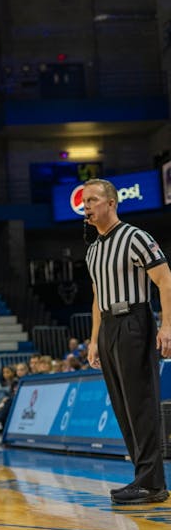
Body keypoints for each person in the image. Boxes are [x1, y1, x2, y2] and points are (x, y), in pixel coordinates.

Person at [82, 178, 171, 505]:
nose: (87, 207)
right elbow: (96, 298)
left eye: (92, 200)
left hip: (134, 321)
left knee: (140, 403)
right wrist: (93, 340)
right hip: (107, 326)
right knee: (123, 407)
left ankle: (152, 484)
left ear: (111, 203)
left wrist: (167, 326)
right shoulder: (93, 250)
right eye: (85, 202)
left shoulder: (136, 237)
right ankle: (142, 478)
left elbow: (165, 280)